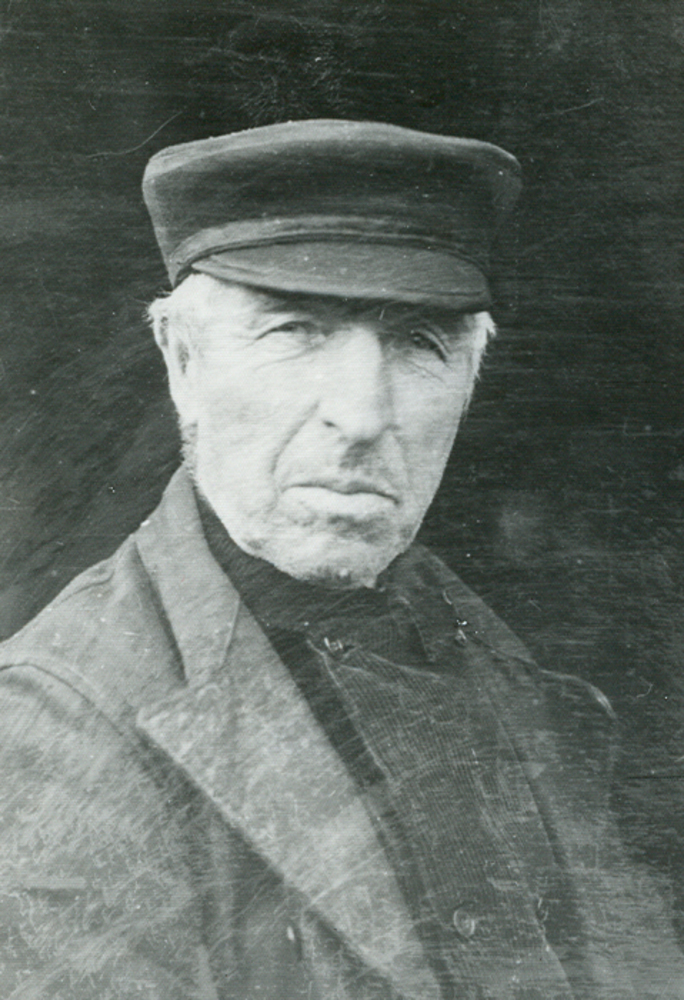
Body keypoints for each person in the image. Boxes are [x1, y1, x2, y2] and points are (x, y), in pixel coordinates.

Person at [0, 119, 681, 1000]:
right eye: (294, 330)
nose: (361, 415)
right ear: (182, 362)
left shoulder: (521, 681)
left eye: (420, 344)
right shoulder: (49, 723)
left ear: (470, 381)